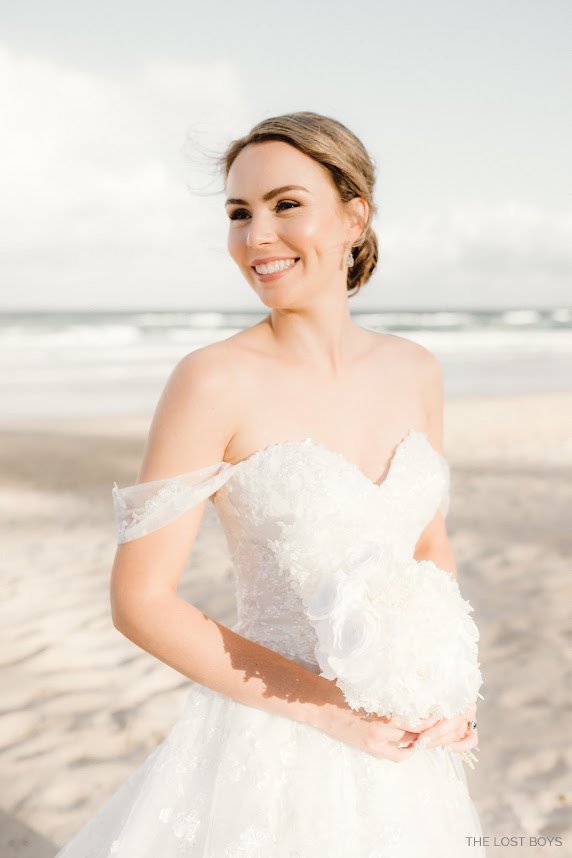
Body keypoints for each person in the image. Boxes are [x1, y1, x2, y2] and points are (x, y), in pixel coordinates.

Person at [55, 110, 484, 857]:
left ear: (356, 215)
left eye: (286, 205)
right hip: (273, 746)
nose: (256, 237)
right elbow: (141, 600)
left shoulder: (418, 372)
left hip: (410, 744)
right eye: (238, 213)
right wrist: (327, 709)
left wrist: (454, 687)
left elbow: (427, 543)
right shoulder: (213, 381)